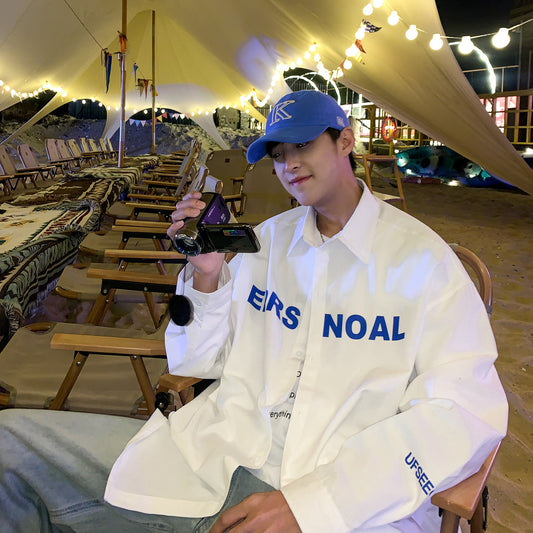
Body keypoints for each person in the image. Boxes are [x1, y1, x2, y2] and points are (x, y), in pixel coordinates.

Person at [0, 90, 507, 533]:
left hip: (340, 505)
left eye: (304, 145)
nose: (290, 164)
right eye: (280, 153)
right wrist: (205, 275)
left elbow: (463, 413)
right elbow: (195, 360)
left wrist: (313, 503)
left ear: (345, 141)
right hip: (214, 459)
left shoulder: (424, 263)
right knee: (9, 447)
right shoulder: (265, 243)